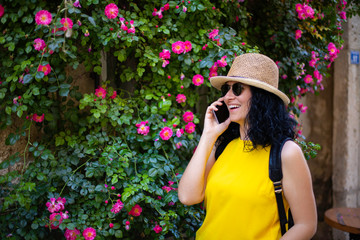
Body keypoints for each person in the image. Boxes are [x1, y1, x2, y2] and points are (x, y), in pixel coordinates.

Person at [178, 53, 317, 239]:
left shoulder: (286, 153)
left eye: (237, 89)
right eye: (226, 89)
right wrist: (208, 134)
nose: (227, 96)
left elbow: (306, 225)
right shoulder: (222, 145)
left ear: (261, 97)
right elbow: (188, 197)